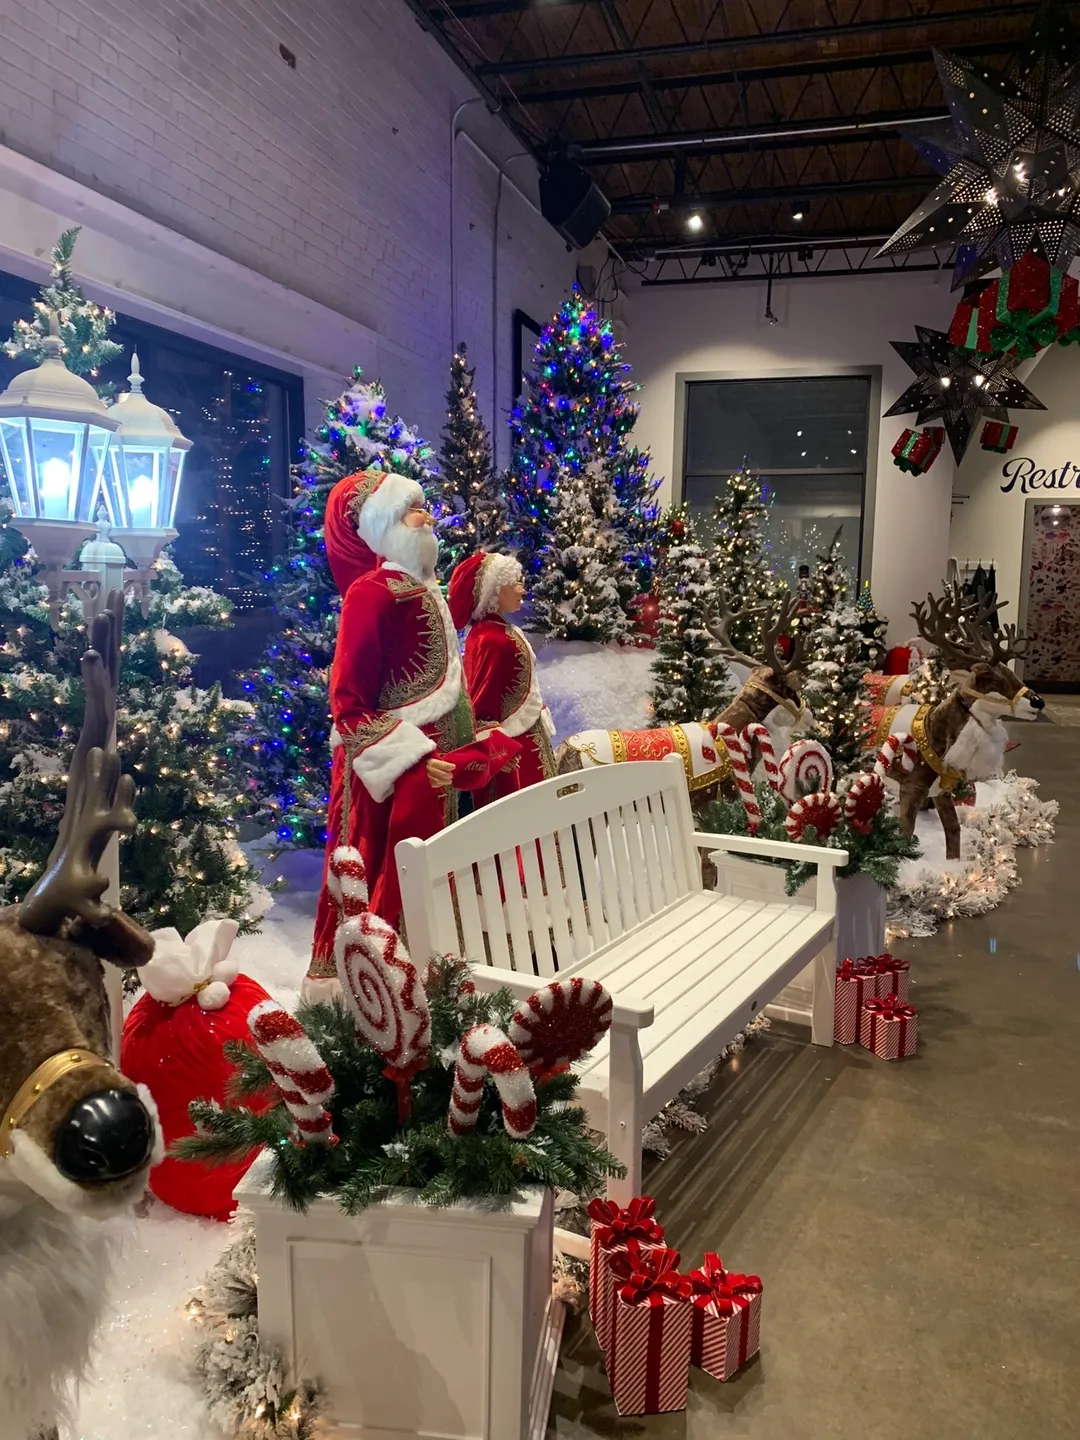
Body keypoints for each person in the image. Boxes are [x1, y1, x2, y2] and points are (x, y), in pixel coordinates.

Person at [304, 469, 487, 997]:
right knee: (383, 880)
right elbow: (348, 701)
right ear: (382, 525)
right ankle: (373, 996)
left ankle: (436, 985)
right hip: (390, 779)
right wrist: (407, 757)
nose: (427, 516)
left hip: (439, 774)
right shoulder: (372, 592)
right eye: (413, 509)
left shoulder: (425, 590)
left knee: (434, 878)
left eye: (426, 506)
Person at [448, 551, 556, 804]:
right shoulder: (491, 639)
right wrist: (498, 751)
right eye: (515, 582)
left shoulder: (499, 631)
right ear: (494, 590)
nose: (522, 589)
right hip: (515, 751)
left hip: (526, 740)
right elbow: (481, 702)